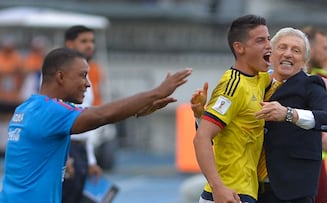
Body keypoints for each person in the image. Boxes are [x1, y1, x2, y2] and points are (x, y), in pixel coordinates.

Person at [0, 47, 192, 203]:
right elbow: (101, 116)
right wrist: (156, 93)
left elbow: (36, 150)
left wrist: (135, 111)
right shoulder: (51, 111)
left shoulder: (27, 108)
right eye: (83, 75)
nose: (88, 84)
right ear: (60, 77)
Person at [193, 14, 272, 203]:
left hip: (246, 191)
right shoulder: (233, 86)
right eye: (260, 40)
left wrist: (318, 82)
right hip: (228, 194)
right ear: (239, 47)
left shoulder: (259, 78)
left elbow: (284, 74)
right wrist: (218, 188)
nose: (269, 45)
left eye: (269, 38)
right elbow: (201, 138)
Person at [255, 27, 327, 203]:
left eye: (296, 50)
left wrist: (288, 114)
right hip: (251, 190)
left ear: (304, 61)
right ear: (271, 53)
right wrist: (200, 116)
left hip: (294, 193)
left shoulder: (312, 87)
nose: (288, 54)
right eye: (282, 47)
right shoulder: (254, 84)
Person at [61, 25, 104, 203]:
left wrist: (91, 160)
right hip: (68, 149)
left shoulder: (86, 78)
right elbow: (58, 118)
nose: (90, 46)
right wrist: (65, 156)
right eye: (84, 41)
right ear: (70, 44)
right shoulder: (60, 76)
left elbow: (86, 122)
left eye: (92, 41)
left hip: (81, 149)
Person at [303, 26, 327, 203]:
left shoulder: (326, 79)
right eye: (325, 48)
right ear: (311, 48)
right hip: (294, 161)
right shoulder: (285, 79)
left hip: (318, 161)